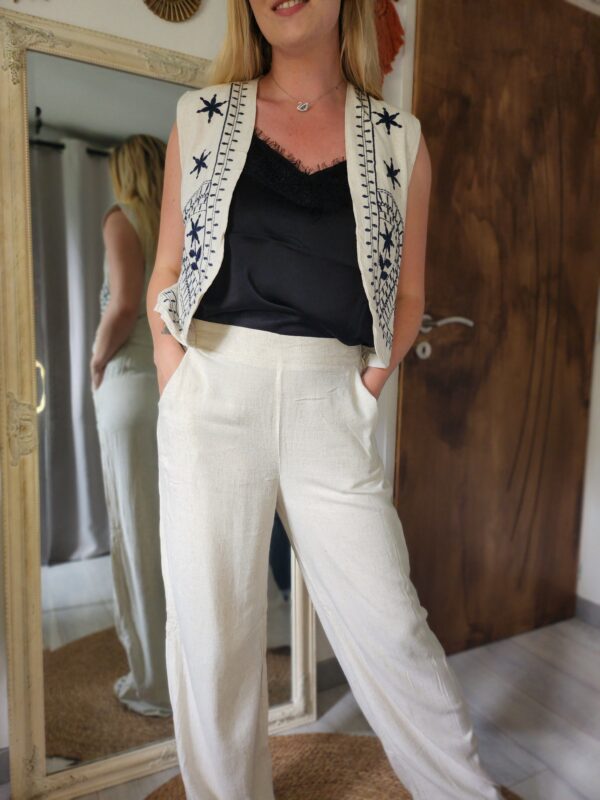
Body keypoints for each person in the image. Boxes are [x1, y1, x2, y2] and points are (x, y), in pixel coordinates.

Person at [146, 0, 505, 796]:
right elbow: (166, 269)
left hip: (330, 399)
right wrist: (177, 377)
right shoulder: (201, 118)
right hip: (212, 391)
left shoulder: (399, 139)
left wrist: (364, 388)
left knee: (393, 630)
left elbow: (409, 296)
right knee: (211, 640)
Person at [91, 134, 172, 717]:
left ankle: (153, 682)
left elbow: (122, 304)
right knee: (169, 535)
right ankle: (178, 670)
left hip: (129, 386)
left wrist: (97, 359)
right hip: (168, 388)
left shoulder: (123, 218)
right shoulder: (178, 226)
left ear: (124, 172)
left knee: (137, 532)